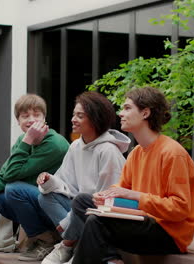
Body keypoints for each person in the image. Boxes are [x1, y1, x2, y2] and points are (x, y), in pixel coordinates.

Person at [70, 87, 194, 264]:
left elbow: (179, 209)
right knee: (82, 202)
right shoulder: (136, 152)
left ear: (145, 113)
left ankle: (107, 258)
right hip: (141, 220)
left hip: (168, 233)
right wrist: (106, 195)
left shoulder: (173, 153)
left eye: (127, 108)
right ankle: (110, 258)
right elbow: (122, 188)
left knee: (96, 221)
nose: (121, 113)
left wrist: (136, 196)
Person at [0, 94, 70, 264]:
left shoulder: (55, 144)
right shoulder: (24, 140)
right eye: (25, 116)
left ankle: (46, 239)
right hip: (34, 205)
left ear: (44, 119)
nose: (31, 120)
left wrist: (26, 140)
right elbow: (3, 173)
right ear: (18, 121)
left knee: (14, 188)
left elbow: (11, 175)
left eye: (37, 115)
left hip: (57, 210)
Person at [37, 91, 130, 264]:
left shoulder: (108, 151)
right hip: (79, 209)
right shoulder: (75, 146)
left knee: (82, 202)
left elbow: (107, 199)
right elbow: (66, 182)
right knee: (45, 197)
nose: (73, 119)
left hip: (102, 214)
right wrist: (50, 180)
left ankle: (67, 245)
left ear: (95, 119)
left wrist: (67, 223)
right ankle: (75, 242)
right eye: (74, 114)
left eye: (80, 116)